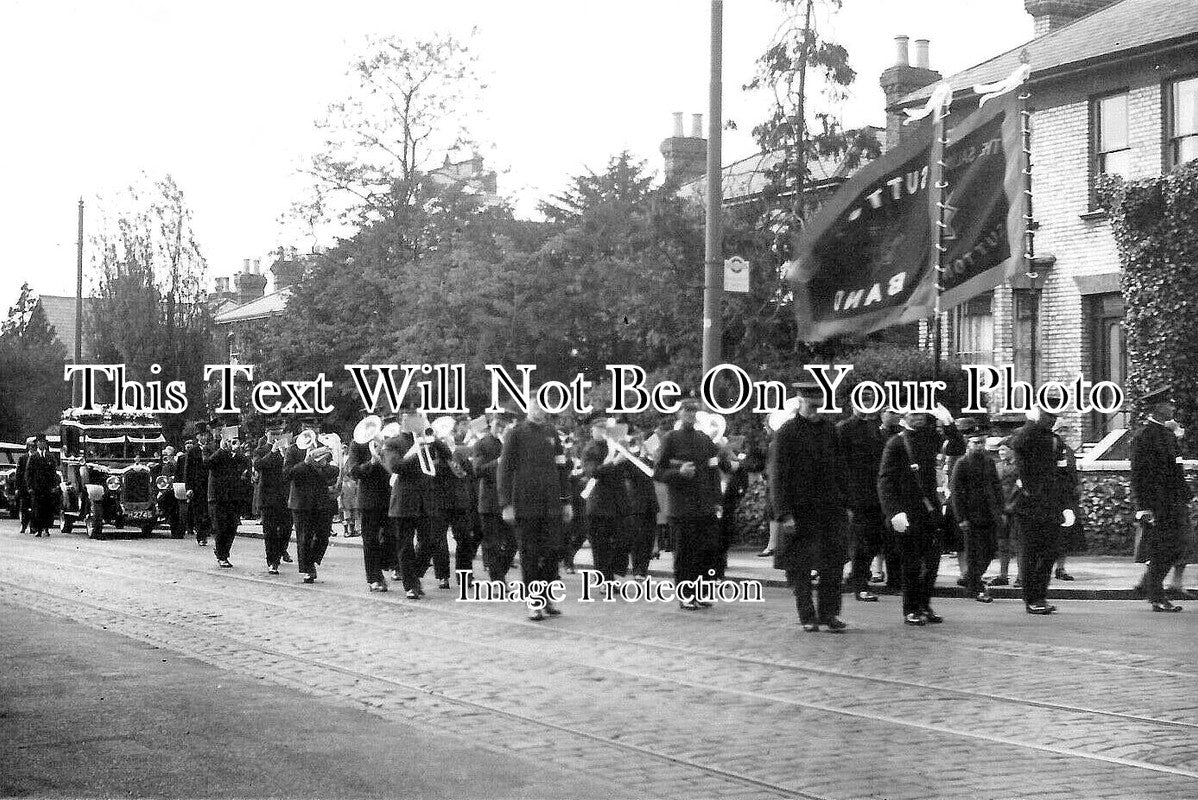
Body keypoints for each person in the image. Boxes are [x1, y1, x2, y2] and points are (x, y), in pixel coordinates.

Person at [769, 382, 849, 632]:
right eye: (811, 406)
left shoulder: (830, 431)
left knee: (833, 565)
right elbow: (778, 477)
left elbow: (840, 468)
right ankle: (807, 615)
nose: (816, 411)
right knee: (800, 567)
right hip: (800, 512)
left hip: (829, 510)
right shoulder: (786, 433)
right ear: (800, 402)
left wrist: (846, 502)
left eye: (819, 406)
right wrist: (784, 513)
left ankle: (829, 614)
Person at [878, 407, 964, 626]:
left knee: (932, 563)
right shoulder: (897, 443)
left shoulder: (933, 437)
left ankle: (925, 604)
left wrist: (949, 423)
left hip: (931, 511)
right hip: (908, 511)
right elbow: (885, 481)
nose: (918, 418)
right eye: (913, 414)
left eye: (921, 413)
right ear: (904, 416)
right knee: (912, 564)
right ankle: (911, 609)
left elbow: (958, 447)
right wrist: (894, 512)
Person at [497, 396, 573, 620]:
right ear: (528, 408)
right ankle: (534, 602)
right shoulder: (516, 433)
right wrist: (506, 504)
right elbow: (504, 471)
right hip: (525, 504)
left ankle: (547, 598)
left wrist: (566, 501)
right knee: (529, 554)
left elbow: (561, 469)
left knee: (551, 552)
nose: (538, 409)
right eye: (534, 405)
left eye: (542, 405)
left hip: (551, 505)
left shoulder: (552, 434)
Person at [653, 398, 727, 610]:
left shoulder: (704, 439)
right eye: (686, 410)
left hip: (704, 506)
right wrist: (679, 473)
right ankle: (685, 594)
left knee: (705, 552)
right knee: (684, 553)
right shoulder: (670, 439)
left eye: (694, 410)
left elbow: (713, 471)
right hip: (681, 508)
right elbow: (658, 472)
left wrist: (717, 500)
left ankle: (701, 592)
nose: (690, 414)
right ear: (679, 413)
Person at [1008, 400, 1076, 615]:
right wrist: (1030, 422)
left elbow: (1065, 476)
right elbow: (1016, 445)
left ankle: (1040, 595)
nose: (1052, 420)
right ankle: (1031, 599)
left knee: (1050, 553)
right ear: (1038, 415)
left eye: (1054, 417)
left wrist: (1067, 506)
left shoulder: (1056, 442)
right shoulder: (1025, 435)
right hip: (1028, 505)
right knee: (1029, 554)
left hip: (1051, 505)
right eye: (1048, 416)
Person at [1130, 386, 1193, 612]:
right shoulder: (1144, 436)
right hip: (1157, 504)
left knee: (1177, 547)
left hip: (1174, 502)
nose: (1173, 407)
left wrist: (1185, 495)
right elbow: (1138, 474)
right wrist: (1143, 507)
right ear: (1158, 407)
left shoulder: (1167, 434)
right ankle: (1156, 596)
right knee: (1163, 549)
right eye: (1169, 404)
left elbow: (1176, 467)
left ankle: (1151, 587)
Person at [836, 400, 889, 602]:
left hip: (874, 495)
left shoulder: (875, 429)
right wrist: (844, 498)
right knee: (861, 542)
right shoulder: (844, 429)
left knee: (874, 541)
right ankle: (860, 584)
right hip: (855, 496)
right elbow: (838, 466)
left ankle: (857, 576)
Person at [949, 429, 1004, 603]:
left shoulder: (989, 462)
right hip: (971, 516)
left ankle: (970, 578)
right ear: (968, 444)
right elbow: (956, 492)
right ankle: (976, 587)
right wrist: (961, 518)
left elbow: (996, 486)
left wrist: (1000, 510)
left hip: (989, 514)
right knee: (973, 553)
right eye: (975, 443)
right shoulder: (962, 463)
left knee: (990, 550)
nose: (979, 446)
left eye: (981, 443)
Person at [580, 418, 629, 584]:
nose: (602, 431)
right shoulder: (590, 449)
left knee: (623, 541)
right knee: (601, 546)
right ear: (593, 430)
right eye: (599, 428)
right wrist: (615, 462)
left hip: (618, 502)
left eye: (605, 429)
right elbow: (593, 472)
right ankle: (604, 579)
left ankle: (614, 573)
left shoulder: (615, 446)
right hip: (599, 504)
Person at [286, 437, 338, 584]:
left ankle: (312, 559)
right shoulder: (293, 450)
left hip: (321, 502)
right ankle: (308, 569)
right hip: (301, 503)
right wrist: (305, 463)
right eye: (308, 426)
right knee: (304, 537)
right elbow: (287, 474)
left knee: (323, 535)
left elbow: (335, 470)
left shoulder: (324, 448)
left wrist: (322, 465)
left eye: (314, 427)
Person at [474, 411, 518, 582]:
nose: (500, 428)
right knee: (492, 544)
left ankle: (500, 572)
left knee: (513, 542)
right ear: (491, 423)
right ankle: (497, 579)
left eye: (503, 425)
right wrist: (499, 461)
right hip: (489, 501)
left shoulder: (511, 444)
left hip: (508, 500)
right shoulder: (481, 444)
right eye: (497, 424)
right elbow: (478, 470)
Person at [348, 438, 392, 592]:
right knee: (370, 540)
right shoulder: (358, 444)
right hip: (369, 500)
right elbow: (353, 471)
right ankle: (374, 577)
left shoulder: (389, 439)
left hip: (389, 496)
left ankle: (385, 564)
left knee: (392, 537)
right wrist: (372, 462)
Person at [253, 421, 293, 574]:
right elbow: (258, 465)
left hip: (285, 496)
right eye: (273, 434)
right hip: (268, 498)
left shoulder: (288, 450)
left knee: (286, 529)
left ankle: (281, 550)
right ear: (267, 434)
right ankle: (272, 561)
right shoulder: (261, 450)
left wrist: (285, 454)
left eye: (279, 433)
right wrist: (273, 452)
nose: (277, 437)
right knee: (269, 532)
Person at [1051, 419, 1084, 581]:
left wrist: (1077, 484)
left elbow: (1073, 472)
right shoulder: (1049, 450)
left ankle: (1060, 568)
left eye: (1066, 431)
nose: (1063, 434)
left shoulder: (1069, 451)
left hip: (1068, 498)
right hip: (1052, 498)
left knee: (1064, 533)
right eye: (1060, 430)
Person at [205, 426, 243, 568]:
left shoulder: (235, 452)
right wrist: (221, 449)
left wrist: (235, 450)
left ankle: (223, 552)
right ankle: (222, 555)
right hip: (216, 496)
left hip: (232, 496)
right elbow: (207, 463)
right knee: (220, 527)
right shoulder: (210, 448)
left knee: (231, 527)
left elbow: (245, 462)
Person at [988, 437, 1021, 587]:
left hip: (1017, 509)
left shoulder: (1021, 467)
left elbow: (1021, 488)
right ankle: (1003, 574)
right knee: (1002, 544)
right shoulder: (997, 467)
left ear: (1012, 450)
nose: (1000, 452)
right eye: (999, 449)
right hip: (1001, 510)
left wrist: (1013, 505)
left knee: (1018, 544)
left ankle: (1022, 576)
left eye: (1004, 449)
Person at [183, 421, 212, 546]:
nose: (204, 437)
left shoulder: (211, 449)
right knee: (199, 512)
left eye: (206, 435)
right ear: (197, 436)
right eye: (202, 435)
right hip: (197, 486)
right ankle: (201, 535)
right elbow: (188, 471)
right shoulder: (193, 451)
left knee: (208, 511)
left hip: (210, 484)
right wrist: (189, 487)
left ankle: (206, 532)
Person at [27, 434, 57, 536]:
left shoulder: (50, 457)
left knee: (47, 508)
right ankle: (38, 529)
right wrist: (30, 487)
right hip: (37, 488)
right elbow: (29, 473)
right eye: (39, 442)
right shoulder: (33, 457)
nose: (41, 444)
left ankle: (46, 528)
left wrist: (54, 486)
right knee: (37, 509)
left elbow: (54, 473)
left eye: (43, 442)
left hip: (48, 488)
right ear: (37, 444)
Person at [16, 438, 34, 534]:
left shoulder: (37, 457)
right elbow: (19, 474)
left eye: (33, 447)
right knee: (24, 508)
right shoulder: (23, 458)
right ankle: (23, 525)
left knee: (34, 507)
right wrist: (18, 487)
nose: (32, 448)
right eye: (30, 446)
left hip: (34, 487)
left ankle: (33, 526)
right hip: (24, 487)